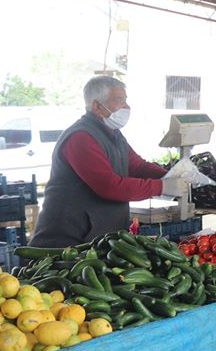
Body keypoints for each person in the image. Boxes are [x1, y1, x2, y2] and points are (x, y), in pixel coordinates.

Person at [31, 76, 182, 247]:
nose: (126, 107)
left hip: (99, 236)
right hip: (68, 239)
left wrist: (172, 176)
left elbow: (137, 166)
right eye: (119, 100)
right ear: (97, 106)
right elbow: (109, 186)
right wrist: (162, 187)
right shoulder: (81, 137)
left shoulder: (113, 133)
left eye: (126, 100)